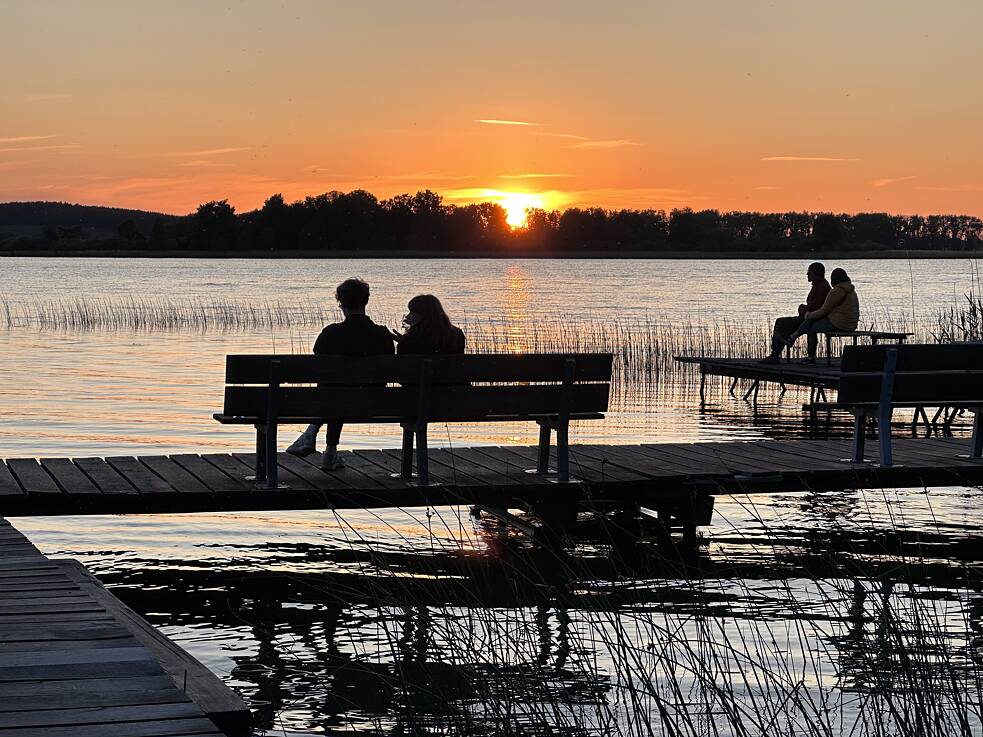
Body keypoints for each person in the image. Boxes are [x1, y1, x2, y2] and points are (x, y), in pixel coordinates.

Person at [285, 278, 394, 469]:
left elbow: (319, 365)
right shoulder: (383, 335)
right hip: (374, 404)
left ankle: (314, 437)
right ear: (366, 302)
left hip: (332, 402)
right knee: (342, 392)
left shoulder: (330, 334)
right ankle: (329, 452)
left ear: (341, 303)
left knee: (336, 391)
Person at [785, 267, 860, 364]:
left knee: (811, 327)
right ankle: (794, 336)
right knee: (814, 318)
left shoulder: (836, 291)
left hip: (839, 324)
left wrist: (809, 315)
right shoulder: (851, 291)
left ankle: (810, 357)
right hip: (851, 325)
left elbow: (823, 311)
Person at [760, 262, 830, 364]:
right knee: (781, 322)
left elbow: (814, 308)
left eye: (809, 273)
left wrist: (801, 308)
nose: (807, 275)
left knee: (782, 323)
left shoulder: (822, 287)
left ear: (815, 274)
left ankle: (776, 352)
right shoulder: (818, 285)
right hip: (809, 317)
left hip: (812, 319)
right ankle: (777, 350)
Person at [389, 294, 466, 355]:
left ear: (423, 314)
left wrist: (404, 342)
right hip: (450, 374)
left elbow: (405, 365)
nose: (408, 316)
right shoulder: (457, 335)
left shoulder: (414, 339)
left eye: (412, 312)